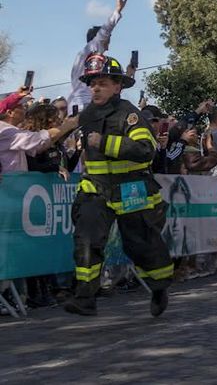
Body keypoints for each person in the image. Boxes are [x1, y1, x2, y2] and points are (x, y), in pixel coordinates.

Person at [64, 53, 173, 318]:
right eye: (92, 83)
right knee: (87, 240)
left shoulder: (129, 114)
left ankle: (159, 287)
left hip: (131, 189)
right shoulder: (88, 114)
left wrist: (104, 143)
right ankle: (85, 298)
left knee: (140, 244)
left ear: (117, 86)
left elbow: (146, 149)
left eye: (101, 82)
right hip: (96, 188)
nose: (95, 88)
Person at [68, 0, 126, 112]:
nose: (109, 43)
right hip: (83, 105)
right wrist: (117, 11)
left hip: (79, 105)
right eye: (108, 39)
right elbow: (105, 30)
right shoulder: (92, 48)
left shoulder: (90, 60)